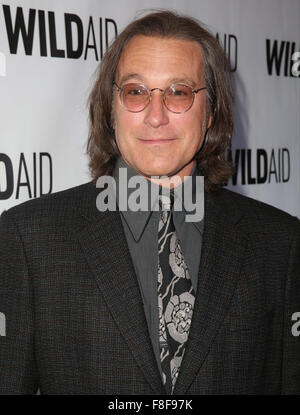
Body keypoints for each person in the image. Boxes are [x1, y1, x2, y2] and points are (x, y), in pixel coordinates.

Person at [0, 10, 299, 395]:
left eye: (178, 92)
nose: (155, 117)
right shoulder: (30, 240)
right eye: (136, 92)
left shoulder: (280, 243)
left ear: (210, 112)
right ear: (111, 108)